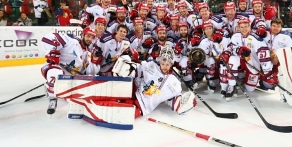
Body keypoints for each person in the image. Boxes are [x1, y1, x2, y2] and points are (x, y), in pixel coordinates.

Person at [53, 47, 197, 129]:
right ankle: (73, 97)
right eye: (163, 61)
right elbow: (135, 70)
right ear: (159, 60)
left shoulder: (175, 84)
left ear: (172, 64)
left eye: (168, 63)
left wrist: (187, 103)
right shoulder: (151, 65)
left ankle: (83, 107)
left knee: (111, 111)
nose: (164, 65)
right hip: (129, 91)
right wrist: (126, 64)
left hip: (141, 107)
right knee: (104, 92)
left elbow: (174, 103)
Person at [40, 27, 101, 114]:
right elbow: (48, 37)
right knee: (56, 73)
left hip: (69, 79)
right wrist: (53, 53)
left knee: (73, 100)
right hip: (55, 68)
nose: (90, 39)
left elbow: (89, 73)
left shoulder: (88, 54)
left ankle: (53, 88)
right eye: (88, 36)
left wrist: (95, 60)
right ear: (82, 35)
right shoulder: (72, 41)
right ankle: (52, 98)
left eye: (92, 38)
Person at [220, 17, 273, 93]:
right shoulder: (235, 36)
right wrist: (229, 53)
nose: (243, 29)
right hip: (240, 62)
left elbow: (264, 56)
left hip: (253, 65)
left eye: (246, 26)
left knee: (250, 89)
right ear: (238, 27)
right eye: (241, 27)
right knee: (231, 60)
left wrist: (267, 72)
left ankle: (244, 79)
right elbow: (231, 47)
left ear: (250, 26)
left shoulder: (256, 39)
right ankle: (232, 86)